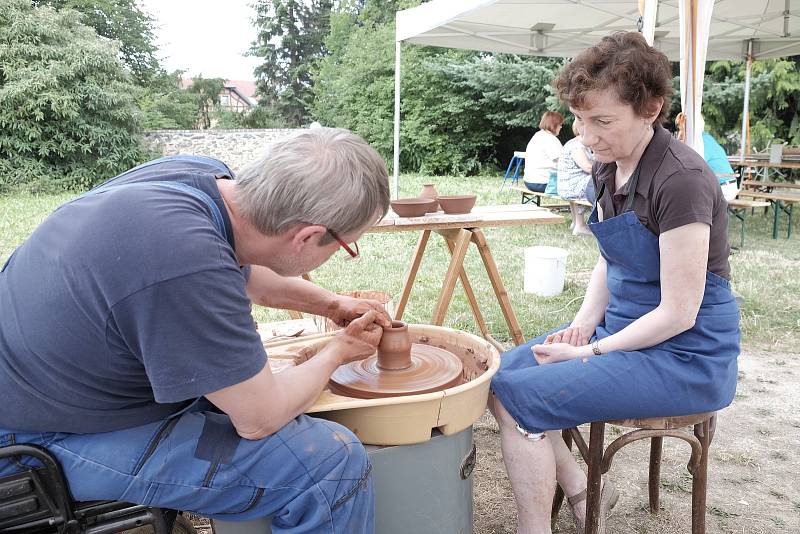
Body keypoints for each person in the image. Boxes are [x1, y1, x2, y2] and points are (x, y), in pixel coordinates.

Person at [0, 128, 394, 534]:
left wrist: (330, 304)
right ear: (308, 237)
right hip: (35, 437)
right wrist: (338, 352)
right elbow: (259, 419)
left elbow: (242, 271)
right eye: (347, 245)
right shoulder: (185, 259)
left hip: (48, 384)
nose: (342, 253)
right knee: (329, 467)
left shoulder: (202, 181)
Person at [491, 32, 740, 534]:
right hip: (622, 334)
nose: (586, 135)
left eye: (602, 121)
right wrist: (583, 327)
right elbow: (612, 259)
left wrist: (589, 354)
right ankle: (584, 494)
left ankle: (532, 527)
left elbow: (679, 313)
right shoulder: (608, 167)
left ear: (651, 108)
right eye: (581, 119)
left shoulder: (682, 180)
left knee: (524, 398)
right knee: (499, 380)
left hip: (685, 355)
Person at [557, 120, 596, 235]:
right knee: (597, 184)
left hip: (568, 184)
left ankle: (576, 223)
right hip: (571, 185)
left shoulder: (575, 144)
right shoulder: (576, 146)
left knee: (589, 182)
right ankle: (580, 226)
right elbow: (587, 168)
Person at [523, 111, 564, 193]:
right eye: (560, 125)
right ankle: (579, 206)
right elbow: (563, 161)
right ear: (554, 125)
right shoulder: (551, 139)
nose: (561, 127)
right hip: (544, 183)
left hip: (529, 181)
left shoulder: (537, 135)